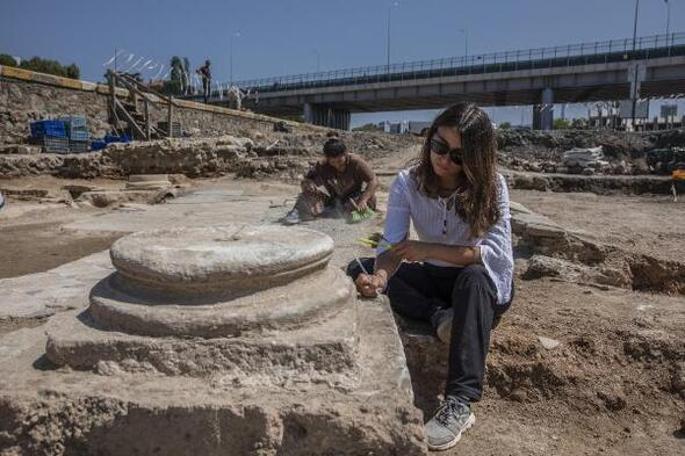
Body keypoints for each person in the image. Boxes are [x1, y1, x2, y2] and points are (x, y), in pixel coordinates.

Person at [347, 103, 514, 451]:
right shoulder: (408, 183)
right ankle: (440, 316)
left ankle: (460, 402)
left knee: (472, 280)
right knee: (359, 267)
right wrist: (379, 278)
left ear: (476, 158)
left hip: (479, 281)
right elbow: (392, 244)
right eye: (439, 147)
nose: (444, 160)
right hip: (435, 277)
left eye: (458, 155)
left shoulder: (492, 186)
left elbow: (492, 256)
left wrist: (427, 250)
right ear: (430, 139)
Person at [283, 137, 378, 225]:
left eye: (340, 162)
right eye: (333, 162)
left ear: (345, 154)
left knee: (371, 198)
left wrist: (363, 200)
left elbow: (373, 180)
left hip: (354, 198)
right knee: (308, 192)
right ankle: (299, 212)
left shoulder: (356, 162)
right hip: (333, 199)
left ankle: (341, 210)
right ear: (327, 159)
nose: (337, 166)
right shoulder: (322, 165)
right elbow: (306, 181)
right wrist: (309, 183)